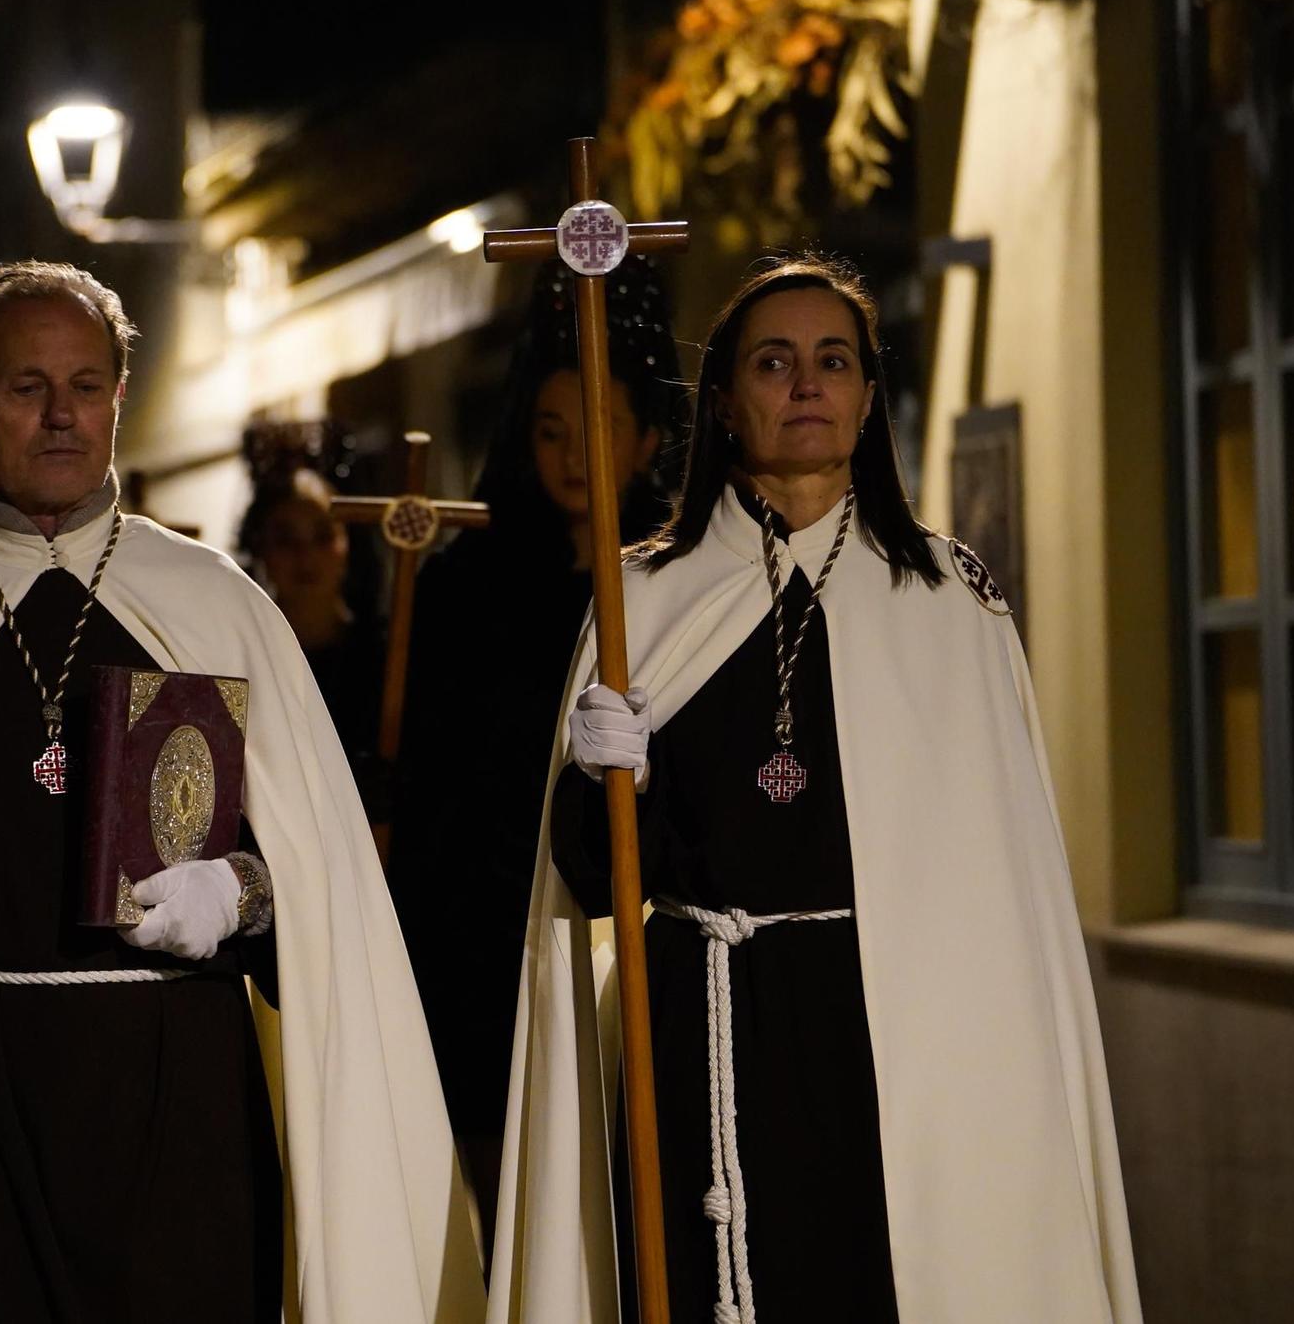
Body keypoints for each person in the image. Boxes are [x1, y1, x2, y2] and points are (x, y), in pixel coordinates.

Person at [0, 260, 482, 1323]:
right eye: (25, 386)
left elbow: (325, 897)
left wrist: (240, 891)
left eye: (87, 386)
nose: (61, 416)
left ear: (118, 400)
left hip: (174, 1110)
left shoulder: (216, 606)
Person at [489, 257, 1140, 1323]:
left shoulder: (943, 597)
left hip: (894, 1040)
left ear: (867, 396)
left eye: (831, 360)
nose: (804, 384)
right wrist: (609, 773)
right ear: (723, 398)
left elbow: (1000, 887)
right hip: (704, 1027)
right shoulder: (643, 595)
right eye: (773, 361)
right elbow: (592, 885)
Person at [386, 255, 679, 1236]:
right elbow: (438, 765)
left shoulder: (677, 580)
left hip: (629, 915)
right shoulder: (471, 581)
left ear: (643, 441)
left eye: (595, 428)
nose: (570, 455)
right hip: (489, 927)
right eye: (549, 430)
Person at [242, 468, 387, 808]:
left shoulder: (384, 654)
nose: (305, 556)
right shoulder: (242, 656)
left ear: (347, 543)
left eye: (322, 536)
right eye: (285, 539)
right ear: (261, 548)